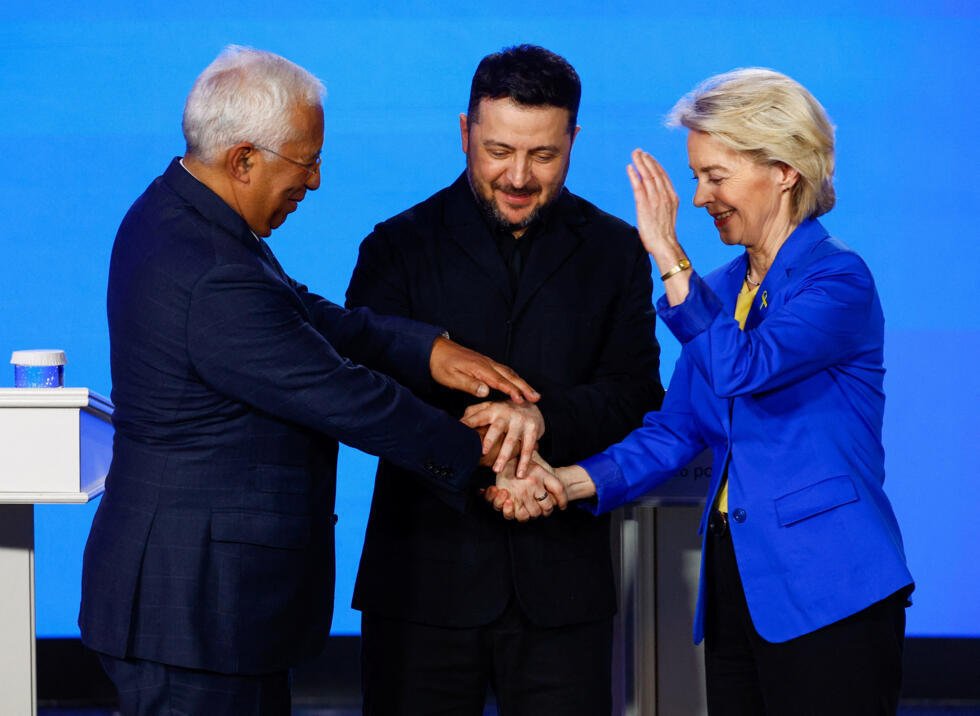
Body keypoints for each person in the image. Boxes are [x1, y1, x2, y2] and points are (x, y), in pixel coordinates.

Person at [78, 45, 549, 715]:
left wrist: (426, 350)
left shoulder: (182, 214)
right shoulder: (210, 268)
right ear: (243, 158)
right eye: (305, 162)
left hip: (204, 611)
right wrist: (486, 461)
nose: (318, 181)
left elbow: (300, 309)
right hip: (192, 614)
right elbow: (344, 394)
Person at [507, 68, 915, 714]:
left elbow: (745, 367)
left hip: (830, 583)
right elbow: (676, 430)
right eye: (696, 177)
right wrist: (568, 482)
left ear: (784, 169)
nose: (699, 197)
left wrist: (667, 253)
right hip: (737, 583)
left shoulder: (838, 280)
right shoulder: (721, 292)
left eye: (715, 176)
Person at [345, 44, 664, 715]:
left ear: (573, 139)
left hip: (562, 585)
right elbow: (364, 394)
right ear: (465, 132)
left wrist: (542, 421)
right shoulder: (395, 246)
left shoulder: (615, 252)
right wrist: (482, 448)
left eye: (543, 155)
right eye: (498, 151)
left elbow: (636, 394)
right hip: (422, 583)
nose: (518, 176)